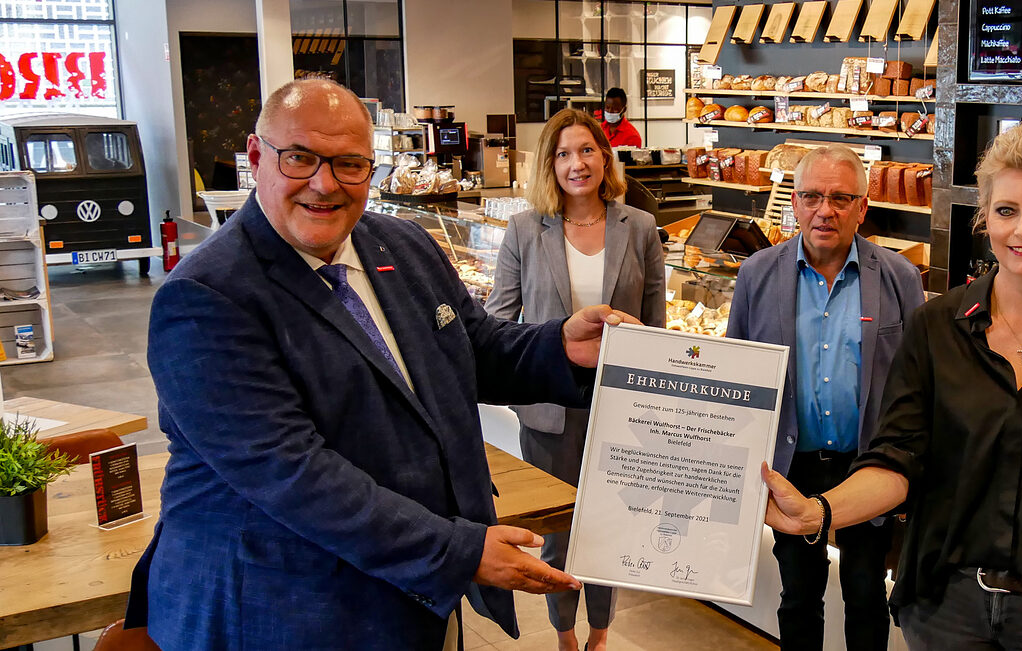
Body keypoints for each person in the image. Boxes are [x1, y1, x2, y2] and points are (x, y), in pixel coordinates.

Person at [126, 79, 635, 650]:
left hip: (407, 596)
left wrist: (559, 345)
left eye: (349, 164)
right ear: (255, 158)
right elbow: (292, 473)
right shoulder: (206, 298)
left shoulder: (401, 245)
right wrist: (457, 550)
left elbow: (474, 347)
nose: (324, 184)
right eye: (299, 158)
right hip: (282, 610)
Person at [762, 124, 1022, 651]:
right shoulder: (938, 326)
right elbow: (898, 457)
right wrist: (819, 512)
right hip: (945, 609)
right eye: (1006, 211)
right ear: (985, 218)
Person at [727, 144, 925, 650]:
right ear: (794, 202)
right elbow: (736, 379)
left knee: (865, 593)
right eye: (812, 196)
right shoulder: (757, 274)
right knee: (798, 594)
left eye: (841, 198)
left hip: (869, 467)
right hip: (790, 465)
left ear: (863, 206)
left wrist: (910, 471)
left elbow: (915, 382)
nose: (825, 210)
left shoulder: (900, 277)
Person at [484, 107, 665, 651]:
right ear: (550, 164)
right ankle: (564, 634)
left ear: (603, 157)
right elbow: (497, 320)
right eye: (563, 154)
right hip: (547, 410)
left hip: (620, 405)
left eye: (586, 150)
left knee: (611, 525)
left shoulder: (639, 227)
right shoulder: (523, 229)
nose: (576, 163)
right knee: (559, 534)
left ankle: (602, 632)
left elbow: (655, 324)